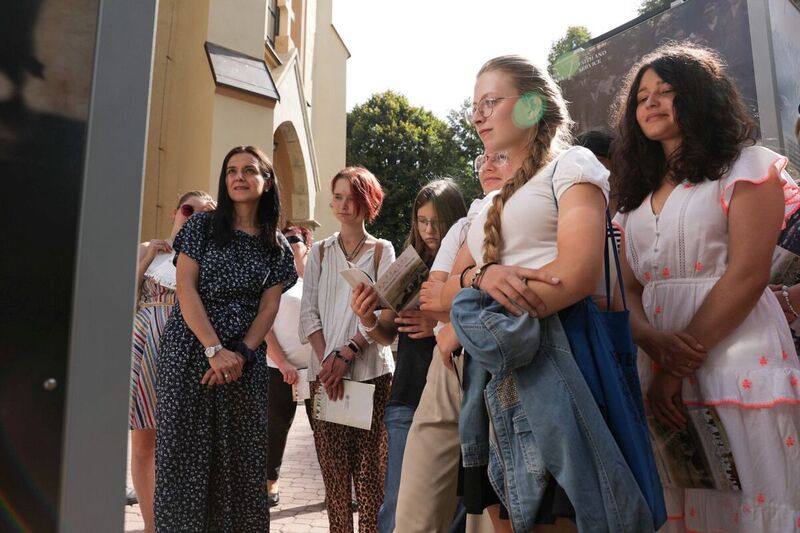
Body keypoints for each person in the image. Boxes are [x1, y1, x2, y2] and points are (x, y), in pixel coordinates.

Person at [440, 55, 654, 532]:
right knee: (509, 515)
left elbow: (576, 274)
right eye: (474, 105)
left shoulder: (572, 165)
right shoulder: (490, 200)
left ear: (533, 107)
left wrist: (478, 308)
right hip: (491, 378)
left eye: (491, 102)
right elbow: (443, 291)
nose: (477, 115)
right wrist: (482, 280)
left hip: (559, 362)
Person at [611, 43, 800, 532]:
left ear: (701, 97)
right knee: (689, 507)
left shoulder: (748, 166)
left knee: (758, 504)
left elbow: (748, 275)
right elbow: (627, 290)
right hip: (657, 368)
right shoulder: (633, 199)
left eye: (666, 92)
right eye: (641, 97)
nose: (650, 103)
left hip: (739, 359)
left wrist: (677, 362)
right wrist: (654, 346)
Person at [154, 146, 297, 531]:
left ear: (267, 182)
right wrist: (214, 350)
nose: (239, 176)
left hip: (243, 365)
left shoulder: (277, 246)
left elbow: (269, 307)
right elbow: (185, 287)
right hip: (190, 353)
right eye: (232, 170)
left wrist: (241, 353)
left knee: (239, 462)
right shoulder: (201, 227)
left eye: (250, 170)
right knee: (184, 460)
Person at [393, 154, 515, 533]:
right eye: (484, 157)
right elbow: (435, 298)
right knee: (415, 506)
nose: (489, 164)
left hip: (507, 362)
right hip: (449, 367)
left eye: (502, 156)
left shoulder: (543, 203)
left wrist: (461, 292)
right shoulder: (469, 222)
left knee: (490, 507)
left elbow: (537, 289)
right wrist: (481, 279)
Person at [299, 166, 395, 533]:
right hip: (326, 378)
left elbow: (386, 314)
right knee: (335, 481)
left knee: (371, 479)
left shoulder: (382, 251)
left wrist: (347, 353)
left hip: (372, 376)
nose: (343, 204)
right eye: (337, 196)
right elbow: (309, 315)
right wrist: (329, 361)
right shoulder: (320, 253)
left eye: (351, 197)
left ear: (367, 201)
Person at [375, 179, 467, 533]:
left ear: (456, 218)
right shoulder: (408, 264)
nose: (429, 230)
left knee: (455, 509)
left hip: (455, 396)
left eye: (436, 221)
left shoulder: (468, 267)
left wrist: (440, 323)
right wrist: (368, 316)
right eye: (421, 221)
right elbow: (385, 333)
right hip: (407, 396)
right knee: (398, 507)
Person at [129, 190, 215, 532]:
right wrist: (148, 255)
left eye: (204, 214)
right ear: (175, 214)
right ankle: (152, 525)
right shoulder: (147, 251)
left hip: (188, 349)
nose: (193, 216)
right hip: (144, 345)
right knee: (144, 441)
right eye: (187, 209)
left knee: (183, 443)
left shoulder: (210, 257)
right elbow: (122, 299)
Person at [266, 225, 315, 508]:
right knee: (274, 431)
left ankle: (338, 488)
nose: (289, 243)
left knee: (324, 433)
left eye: (295, 239)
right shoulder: (274, 278)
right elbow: (264, 325)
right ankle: (270, 484)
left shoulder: (319, 280)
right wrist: (282, 362)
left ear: (308, 245)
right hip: (277, 369)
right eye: (284, 239)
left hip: (317, 372)